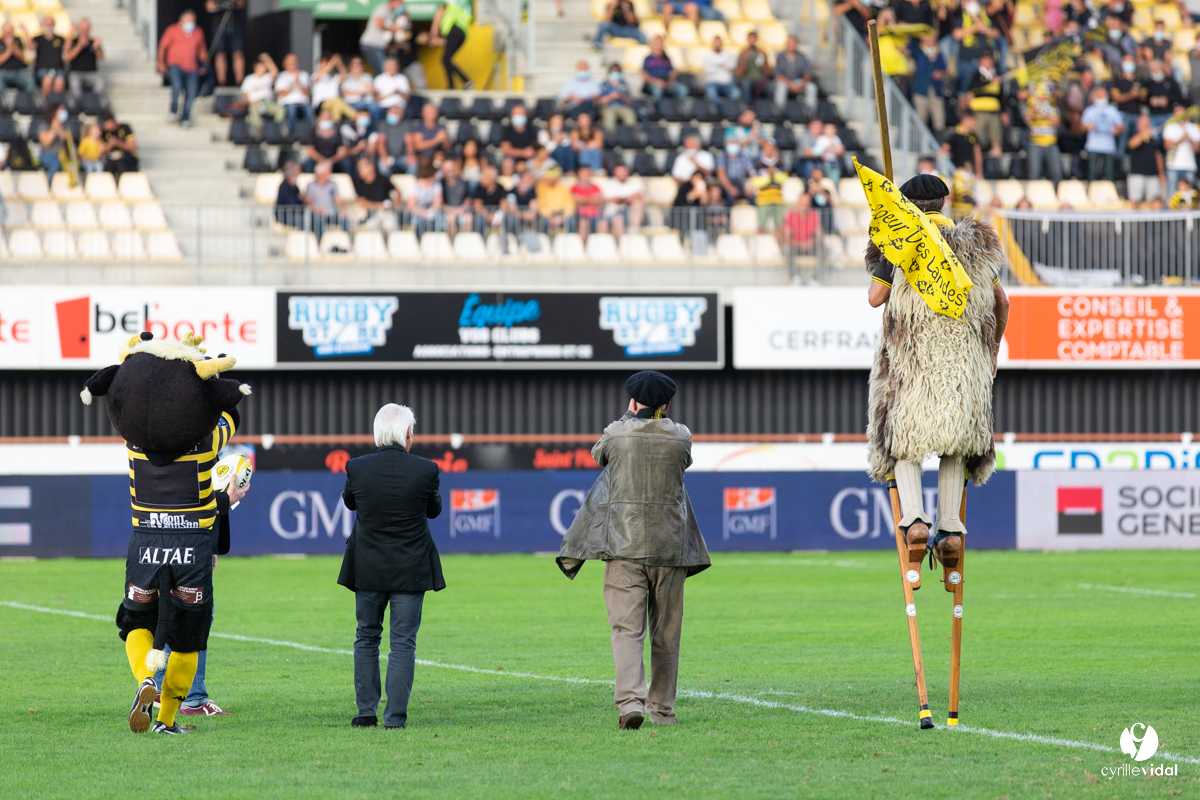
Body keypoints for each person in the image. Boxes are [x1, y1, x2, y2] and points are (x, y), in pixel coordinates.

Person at [79, 332, 251, 736]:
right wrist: (198, 365)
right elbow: (229, 414)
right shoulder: (207, 442)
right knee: (188, 637)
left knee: (135, 623)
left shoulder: (132, 443)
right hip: (191, 548)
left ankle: (144, 678)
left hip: (145, 544)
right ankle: (168, 721)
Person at [864, 174, 1009, 582]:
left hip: (915, 362)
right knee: (957, 443)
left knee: (904, 442)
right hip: (964, 367)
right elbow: (1001, 301)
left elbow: (875, 298)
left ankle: (915, 522)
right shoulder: (978, 247)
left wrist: (890, 261)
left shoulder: (902, 242)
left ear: (907, 204)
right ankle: (949, 529)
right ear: (945, 201)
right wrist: (992, 348)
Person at [557, 371, 710, 731]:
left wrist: (629, 419)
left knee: (627, 630)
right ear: (667, 405)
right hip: (669, 548)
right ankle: (663, 711)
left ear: (632, 402)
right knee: (667, 633)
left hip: (623, 548)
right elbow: (683, 459)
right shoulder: (681, 436)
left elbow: (600, 456)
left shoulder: (616, 433)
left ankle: (630, 704)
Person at [338, 404, 443, 730]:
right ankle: (395, 718)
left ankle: (366, 713)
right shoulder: (427, 469)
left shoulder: (356, 467)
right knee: (403, 643)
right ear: (407, 433)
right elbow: (434, 511)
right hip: (410, 569)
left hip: (368, 567)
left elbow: (350, 502)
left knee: (366, 637)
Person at [157, 11, 206, 126]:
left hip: (192, 67)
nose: (192, 24)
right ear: (182, 21)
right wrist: (161, 62)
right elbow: (162, 47)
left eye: (193, 21)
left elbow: (202, 49)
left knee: (192, 92)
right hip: (175, 65)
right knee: (177, 86)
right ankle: (173, 110)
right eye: (189, 21)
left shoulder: (198, 32)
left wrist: (204, 64)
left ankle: (185, 117)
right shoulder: (172, 30)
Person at [952, 0, 1000, 93]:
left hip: (985, 63)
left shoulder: (985, 17)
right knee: (965, 90)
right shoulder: (962, 18)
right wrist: (974, 28)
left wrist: (985, 29)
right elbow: (956, 34)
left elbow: (996, 33)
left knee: (986, 89)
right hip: (969, 61)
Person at [964, 51, 1004, 158]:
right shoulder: (976, 75)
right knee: (977, 139)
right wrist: (990, 82)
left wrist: (1003, 111)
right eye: (984, 59)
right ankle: (977, 164)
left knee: (996, 138)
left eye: (989, 59)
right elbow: (973, 89)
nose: (987, 62)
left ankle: (997, 165)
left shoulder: (997, 75)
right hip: (979, 112)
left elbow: (1001, 96)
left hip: (994, 112)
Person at [1022, 81, 1063, 184]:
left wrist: (1046, 115)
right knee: (1034, 173)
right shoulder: (1032, 108)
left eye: (1044, 97)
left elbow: (1057, 123)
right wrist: (1034, 111)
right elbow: (1027, 121)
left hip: (1051, 143)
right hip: (1035, 143)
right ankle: (1033, 196)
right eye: (1040, 97)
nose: (1042, 99)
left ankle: (1056, 194)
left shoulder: (1052, 109)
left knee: (1057, 172)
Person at [428, 0, 474, 90]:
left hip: (454, 29)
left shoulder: (448, 5)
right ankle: (452, 85)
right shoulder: (460, 7)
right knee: (446, 60)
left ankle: (465, 81)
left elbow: (439, 12)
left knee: (446, 59)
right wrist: (437, 41)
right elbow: (446, 42)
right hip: (462, 34)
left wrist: (433, 30)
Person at [1081, 86, 1123, 181]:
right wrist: (1087, 126)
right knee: (1092, 173)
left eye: (1103, 95)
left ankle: (1109, 194)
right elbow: (1080, 127)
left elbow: (1121, 126)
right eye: (1099, 95)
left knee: (1109, 174)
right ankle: (1091, 193)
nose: (1102, 97)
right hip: (1093, 145)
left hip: (1108, 146)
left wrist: (1117, 129)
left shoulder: (1112, 110)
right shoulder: (1090, 110)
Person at [748, 140, 788, 237]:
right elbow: (755, 182)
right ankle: (761, 246)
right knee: (761, 225)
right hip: (763, 200)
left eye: (771, 149)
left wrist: (774, 174)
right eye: (767, 149)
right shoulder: (758, 164)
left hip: (778, 199)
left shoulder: (779, 163)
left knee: (779, 225)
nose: (769, 151)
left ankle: (779, 248)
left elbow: (784, 179)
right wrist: (769, 176)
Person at [910, 35, 946, 132]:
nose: (930, 42)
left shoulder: (938, 53)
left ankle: (938, 143)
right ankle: (918, 142)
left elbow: (944, 68)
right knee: (920, 117)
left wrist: (940, 73)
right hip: (921, 89)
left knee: (939, 119)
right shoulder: (919, 51)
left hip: (935, 89)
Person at [1126, 114, 1165, 205]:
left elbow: (1158, 157)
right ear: (1138, 125)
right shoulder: (1134, 135)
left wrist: (1162, 173)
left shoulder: (1153, 140)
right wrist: (1143, 135)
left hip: (1152, 174)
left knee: (1153, 202)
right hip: (1137, 174)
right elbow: (1131, 144)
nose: (1146, 126)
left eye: (1148, 124)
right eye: (1144, 124)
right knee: (1135, 201)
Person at [240, 54, 284, 133]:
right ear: (255, 67)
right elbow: (245, 96)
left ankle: (274, 129)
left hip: (266, 102)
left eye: (263, 67)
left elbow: (275, 71)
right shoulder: (249, 79)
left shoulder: (266, 77)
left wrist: (267, 59)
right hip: (254, 103)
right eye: (260, 67)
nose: (262, 69)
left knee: (280, 109)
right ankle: (259, 132)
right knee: (254, 110)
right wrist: (251, 102)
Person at [205, 0, 245, 86]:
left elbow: (241, 3)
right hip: (219, 25)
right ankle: (222, 81)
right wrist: (220, 5)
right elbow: (209, 7)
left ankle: (239, 81)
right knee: (220, 54)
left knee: (238, 53)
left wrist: (233, 3)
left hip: (235, 24)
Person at [360, 0, 406, 74]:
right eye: (401, 3)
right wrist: (393, 29)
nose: (402, 6)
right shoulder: (383, 8)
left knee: (381, 70)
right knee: (384, 70)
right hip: (371, 44)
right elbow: (379, 24)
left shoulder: (391, 13)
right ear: (395, 1)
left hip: (379, 46)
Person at [773, 35, 816, 113]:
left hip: (798, 81)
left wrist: (802, 84)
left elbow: (807, 74)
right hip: (785, 81)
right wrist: (790, 84)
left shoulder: (802, 57)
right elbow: (778, 75)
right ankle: (779, 111)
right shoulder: (780, 56)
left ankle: (809, 112)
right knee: (781, 87)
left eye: (793, 43)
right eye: (789, 43)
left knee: (811, 87)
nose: (791, 45)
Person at [1110, 55, 1142, 158]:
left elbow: (1145, 96)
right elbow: (1116, 98)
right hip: (1123, 114)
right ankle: (1119, 168)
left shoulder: (1138, 79)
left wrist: (1139, 95)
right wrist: (1130, 95)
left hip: (1137, 114)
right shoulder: (1118, 79)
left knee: (1138, 141)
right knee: (1122, 142)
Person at [1163, 103, 1200, 190]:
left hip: (1189, 165)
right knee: (1172, 193)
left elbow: (1197, 149)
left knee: (1188, 194)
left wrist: (1189, 139)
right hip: (1173, 165)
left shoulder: (1193, 127)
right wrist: (1181, 139)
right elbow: (1166, 145)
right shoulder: (1170, 126)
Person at [641, 36, 687, 105]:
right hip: (654, 83)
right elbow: (645, 75)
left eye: (660, 43)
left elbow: (672, 73)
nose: (659, 45)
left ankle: (677, 110)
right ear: (653, 44)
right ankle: (656, 112)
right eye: (657, 43)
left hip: (667, 82)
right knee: (657, 90)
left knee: (682, 89)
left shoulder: (666, 58)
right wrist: (656, 81)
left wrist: (670, 81)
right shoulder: (648, 59)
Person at [306, 161, 346, 239]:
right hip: (318, 213)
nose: (330, 173)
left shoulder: (333, 185)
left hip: (331, 213)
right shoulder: (311, 186)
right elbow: (309, 203)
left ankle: (347, 243)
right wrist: (319, 210)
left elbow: (338, 199)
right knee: (318, 219)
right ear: (320, 173)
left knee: (344, 219)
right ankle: (319, 244)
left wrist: (342, 209)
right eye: (328, 171)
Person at [65, 18, 104, 97]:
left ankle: (93, 103)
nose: (84, 31)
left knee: (100, 83)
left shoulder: (93, 42)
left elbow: (101, 58)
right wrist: (79, 46)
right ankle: (78, 107)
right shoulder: (74, 41)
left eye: (86, 28)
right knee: (75, 86)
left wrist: (96, 48)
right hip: (76, 73)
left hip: (91, 73)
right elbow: (68, 58)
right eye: (83, 28)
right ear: (79, 29)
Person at [602, 162, 643, 238]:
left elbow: (638, 196)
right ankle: (620, 245)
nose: (622, 173)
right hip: (613, 213)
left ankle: (634, 232)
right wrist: (629, 199)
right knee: (618, 219)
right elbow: (613, 200)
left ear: (628, 172)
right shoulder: (610, 184)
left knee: (637, 204)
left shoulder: (634, 183)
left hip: (630, 212)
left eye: (623, 171)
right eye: (619, 171)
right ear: (614, 172)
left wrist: (621, 199)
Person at [941, 113, 984, 184]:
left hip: (970, 172)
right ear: (965, 121)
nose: (975, 123)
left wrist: (979, 172)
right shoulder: (953, 133)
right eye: (973, 121)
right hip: (956, 171)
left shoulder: (974, 136)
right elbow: (944, 150)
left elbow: (977, 154)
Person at [306, 108, 352, 174]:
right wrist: (322, 160)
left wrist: (331, 161)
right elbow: (310, 151)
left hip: (334, 161)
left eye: (328, 118)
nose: (327, 120)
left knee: (346, 162)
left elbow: (342, 151)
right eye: (325, 118)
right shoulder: (313, 131)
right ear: (319, 119)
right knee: (309, 163)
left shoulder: (337, 131)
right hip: (318, 160)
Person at [275, 53, 312, 131]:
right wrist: (293, 84)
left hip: (302, 103)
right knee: (291, 110)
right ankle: (292, 134)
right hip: (287, 103)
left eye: (294, 61)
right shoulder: (281, 76)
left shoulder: (304, 75)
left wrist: (299, 82)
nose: (292, 63)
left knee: (309, 109)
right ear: (285, 63)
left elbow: (307, 93)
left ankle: (309, 133)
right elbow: (282, 94)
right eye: (290, 61)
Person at [408, 159, 445, 239]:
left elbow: (438, 202)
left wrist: (430, 211)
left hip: (431, 211)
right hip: (418, 212)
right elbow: (411, 205)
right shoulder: (415, 185)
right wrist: (422, 212)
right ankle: (418, 241)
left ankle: (437, 240)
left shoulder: (436, 185)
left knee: (440, 220)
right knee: (418, 221)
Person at [406, 101, 451, 167]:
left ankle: (437, 174)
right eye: (429, 111)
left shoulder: (441, 128)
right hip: (422, 157)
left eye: (433, 111)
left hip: (436, 157)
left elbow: (448, 148)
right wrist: (436, 140)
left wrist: (445, 139)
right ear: (423, 113)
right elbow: (418, 146)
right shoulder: (418, 128)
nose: (432, 113)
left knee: (440, 156)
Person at [311, 53, 353, 122]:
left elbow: (344, 75)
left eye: (326, 63)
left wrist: (339, 64)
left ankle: (335, 125)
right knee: (337, 100)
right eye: (323, 64)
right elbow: (322, 73)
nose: (325, 66)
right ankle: (356, 116)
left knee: (337, 106)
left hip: (334, 103)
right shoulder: (315, 76)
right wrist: (332, 62)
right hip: (321, 105)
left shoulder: (334, 77)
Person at [33, 15, 67, 99]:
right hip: (43, 69)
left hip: (58, 69)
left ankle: (55, 104)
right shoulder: (38, 39)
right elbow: (30, 48)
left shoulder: (59, 39)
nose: (49, 26)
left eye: (51, 24)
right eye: (47, 24)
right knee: (47, 79)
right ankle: (46, 104)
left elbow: (67, 50)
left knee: (59, 81)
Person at [734, 30, 772, 102]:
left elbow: (768, 72)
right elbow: (738, 74)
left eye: (754, 38)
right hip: (748, 78)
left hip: (760, 79)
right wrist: (744, 59)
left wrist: (763, 58)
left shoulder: (762, 53)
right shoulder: (743, 53)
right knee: (746, 84)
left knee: (770, 86)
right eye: (750, 38)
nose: (752, 40)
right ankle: (748, 107)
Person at [1144, 59, 1183, 129]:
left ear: (1161, 67)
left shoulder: (1171, 81)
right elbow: (1143, 99)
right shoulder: (1148, 83)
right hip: (1153, 116)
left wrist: (1167, 100)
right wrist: (1150, 101)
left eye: (1157, 68)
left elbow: (1179, 96)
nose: (1155, 71)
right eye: (1152, 70)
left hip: (1168, 115)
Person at [597, 64, 637, 130]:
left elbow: (630, 101)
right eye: (614, 71)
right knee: (610, 116)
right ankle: (610, 137)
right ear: (609, 73)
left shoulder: (624, 84)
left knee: (630, 115)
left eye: (617, 71)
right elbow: (600, 101)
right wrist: (611, 97)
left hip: (622, 106)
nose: (615, 74)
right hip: (609, 107)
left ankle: (630, 135)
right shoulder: (604, 84)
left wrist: (623, 96)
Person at [702, 36, 740, 104]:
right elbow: (708, 70)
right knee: (711, 94)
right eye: (716, 42)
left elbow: (733, 67)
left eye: (719, 42)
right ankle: (719, 111)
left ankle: (727, 109)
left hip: (727, 82)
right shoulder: (708, 55)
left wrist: (718, 65)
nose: (717, 44)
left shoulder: (728, 54)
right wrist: (723, 66)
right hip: (713, 82)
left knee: (736, 93)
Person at [536, 165, 575, 233]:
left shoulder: (563, 187)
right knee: (543, 222)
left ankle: (568, 241)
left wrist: (562, 217)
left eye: (550, 178)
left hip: (561, 215)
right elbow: (540, 204)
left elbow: (570, 205)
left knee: (571, 222)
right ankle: (546, 242)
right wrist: (550, 216)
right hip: (547, 216)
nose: (547, 179)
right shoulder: (540, 187)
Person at [373, 105, 408, 176]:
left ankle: (410, 185)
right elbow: (381, 143)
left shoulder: (405, 125)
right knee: (383, 165)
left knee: (413, 163)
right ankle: (387, 184)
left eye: (396, 113)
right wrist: (384, 156)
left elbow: (409, 141)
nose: (393, 115)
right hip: (387, 156)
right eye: (391, 112)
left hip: (401, 157)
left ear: (401, 115)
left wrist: (411, 155)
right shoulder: (383, 125)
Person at [499, 104, 538, 169]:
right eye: (516, 114)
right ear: (511, 116)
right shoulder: (507, 130)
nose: (519, 116)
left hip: (529, 158)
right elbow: (506, 149)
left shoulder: (531, 130)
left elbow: (534, 147)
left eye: (521, 114)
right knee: (507, 163)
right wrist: (522, 153)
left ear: (526, 115)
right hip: (512, 158)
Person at [100, 114, 139, 179]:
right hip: (112, 159)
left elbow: (132, 146)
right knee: (109, 164)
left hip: (127, 157)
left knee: (120, 162)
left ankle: (124, 183)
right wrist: (110, 145)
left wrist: (117, 143)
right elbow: (103, 151)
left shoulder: (124, 128)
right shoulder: (105, 132)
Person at [715, 137, 753, 203]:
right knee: (729, 197)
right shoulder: (722, 156)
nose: (733, 145)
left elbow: (752, 172)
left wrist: (750, 186)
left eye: (734, 143)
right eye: (731, 143)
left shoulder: (743, 155)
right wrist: (730, 188)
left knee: (753, 196)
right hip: (727, 184)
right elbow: (721, 175)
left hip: (741, 184)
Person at [0, 23, 35, 93]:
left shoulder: (17, 40)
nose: (10, 35)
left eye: (11, 32)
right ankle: (3, 102)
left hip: (19, 71)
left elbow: (23, 57)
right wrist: (9, 49)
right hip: (4, 71)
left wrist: (13, 47)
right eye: (8, 33)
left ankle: (27, 101)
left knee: (29, 79)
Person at [37, 105, 66, 181]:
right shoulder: (44, 126)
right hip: (47, 155)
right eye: (61, 111)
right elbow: (46, 143)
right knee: (55, 163)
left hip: (61, 155)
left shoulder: (64, 126)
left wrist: (60, 130)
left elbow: (66, 141)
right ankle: (50, 184)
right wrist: (53, 129)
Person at [275, 161, 305, 228]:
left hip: (293, 214)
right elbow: (292, 202)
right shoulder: (284, 186)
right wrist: (301, 199)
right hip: (285, 216)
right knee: (305, 221)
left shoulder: (294, 186)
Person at [657, 0, 724, 26]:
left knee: (692, 8)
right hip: (682, 4)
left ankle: (695, 33)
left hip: (701, 6)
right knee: (667, 8)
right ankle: (666, 33)